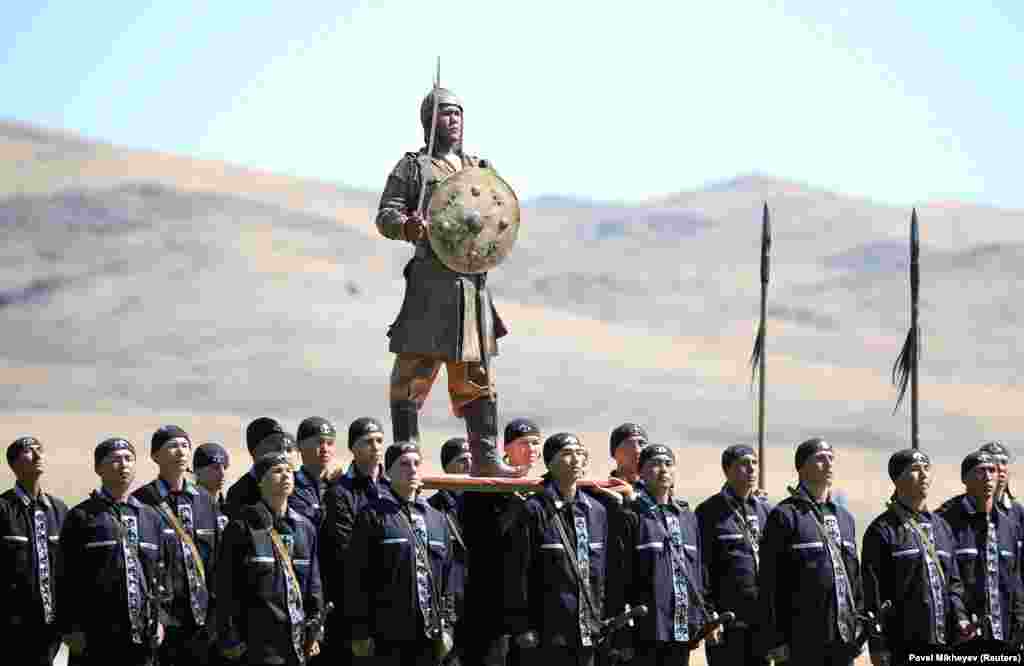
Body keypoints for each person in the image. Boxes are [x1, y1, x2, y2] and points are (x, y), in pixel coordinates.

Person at [376, 84, 519, 478]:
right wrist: (407, 225)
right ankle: (407, 456)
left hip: (471, 286)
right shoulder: (413, 168)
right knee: (412, 371)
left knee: (476, 372)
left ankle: (486, 456)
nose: (452, 120)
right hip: (430, 284)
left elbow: (496, 213)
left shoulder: (479, 168)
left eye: (457, 113)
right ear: (428, 120)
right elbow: (385, 215)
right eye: (444, 113)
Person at [503, 433, 614, 666]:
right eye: (567, 454)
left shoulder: (596, 512)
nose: (576, 460)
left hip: (588, 631)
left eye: (580, 454)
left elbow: (603, 572)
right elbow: (517, 572)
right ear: (550, 463)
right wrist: (522, 625)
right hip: (546, 633)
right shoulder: (532, 510)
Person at [58, 437, 171, 666]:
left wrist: (162, 620)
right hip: (95, 637)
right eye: (115, 459)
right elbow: (63, 576)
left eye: (129, 459)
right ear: (98, 468)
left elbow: (163, 573)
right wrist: (69, 629)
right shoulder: (81, 517)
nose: (124, 465)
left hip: (143, 638)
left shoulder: (151, 518)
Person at [345, 442, 456, 664]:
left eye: (417, 463)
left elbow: (449, 579)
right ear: (388, 472)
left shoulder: (437, 519)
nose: (412, 469)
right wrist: (360, 630)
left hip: (431, 636)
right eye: (404, 464)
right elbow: (356, 577)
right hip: (388, 637)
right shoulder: (372, 515)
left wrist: (448, 628)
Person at [757, 438, 863, 666]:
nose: (829, 464)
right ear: (802, 467)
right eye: (821, 459)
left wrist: (860, 624)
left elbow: (854, 577)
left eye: (831, 459)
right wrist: (775, 639)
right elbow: (769, 583)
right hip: (800, 641)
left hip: (843, 639)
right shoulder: (785, 515)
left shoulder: (845, 519)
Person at [861, 449, 972, 665]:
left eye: (927, 469)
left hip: (945, 644)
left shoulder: (942, 527)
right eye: (914, 469)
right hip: (903, 647)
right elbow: (872, 593)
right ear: (897, 478)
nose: (923, 475)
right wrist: (877, 644)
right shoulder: (882, 530)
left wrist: (961, 618)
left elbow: (954, 584)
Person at [215, 451, 325, 666]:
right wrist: (229, 636)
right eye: (277, 471)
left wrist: (316, 629)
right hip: (258, 644)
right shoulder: (242, 527)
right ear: (260, 482)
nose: (285, 476)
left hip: (297, 641)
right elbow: (227, 586)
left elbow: (314, 585)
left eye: (289, 471)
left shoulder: (305, 528)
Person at [620, 444, 717, 666]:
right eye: (655, 464)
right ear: (641, 472)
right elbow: (619, 573)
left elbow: (699, 570)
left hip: (683, 626)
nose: (663, 470)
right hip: (646, 627)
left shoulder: (687, 516)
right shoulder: (631, 514)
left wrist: (706, 614)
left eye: (668, 464)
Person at [132, 425, 221, 665]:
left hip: (202, 619)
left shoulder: (205, 501)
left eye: (185, 445)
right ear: (155, 456)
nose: (180, 451)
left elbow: (218, 560)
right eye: (172, 446)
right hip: (163, 619)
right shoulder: (141, 501)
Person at [319, 417, 391, 663]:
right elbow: (347, 553)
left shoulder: (394, 487)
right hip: (357, 606)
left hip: (396, 604)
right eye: (367, 441)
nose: (375, 446)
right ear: (353, 448)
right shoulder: (340, 493)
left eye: (379, 440)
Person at [695, 444, 772, 666]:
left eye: (754, 463)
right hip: (727, 622)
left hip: (762, 622)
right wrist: (709, 615)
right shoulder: (708, 512)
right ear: (727, 470)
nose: (751, 469)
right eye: (743, 464)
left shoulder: (765, 510)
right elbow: (701, 568)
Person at [937, 451, 1024, 646]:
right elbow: (946, 580)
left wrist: (1020, 624)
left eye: (992, 471)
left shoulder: (1009, 526)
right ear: (964, 478)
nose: (988, 477)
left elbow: (1016, 581)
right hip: (962, 637)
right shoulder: (945, 521)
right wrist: (960, 618)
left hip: (1004, 637)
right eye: (980, 471)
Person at [0, 436, 68, 665]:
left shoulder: (59, 510)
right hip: (11, 627)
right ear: (13, 464)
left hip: (52, 626)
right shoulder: (3, 508)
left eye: (41, 450)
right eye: (29, 452)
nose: (38, 456)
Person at [428, 437, 471, 649]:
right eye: (463, 460)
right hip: (449, 604)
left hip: (480, 600)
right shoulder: (432, 509)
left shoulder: (485, 504)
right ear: (447, 467)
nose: (470, 465)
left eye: (473, 459)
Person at [224, 417, 296, 521]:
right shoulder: (239, 492)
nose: (280, 448)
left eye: (281, 442)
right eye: (272, 443)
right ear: (255, 450)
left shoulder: (292, 481)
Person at [291, 417, 339, 529]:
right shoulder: (289, 486)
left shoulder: (341, 486)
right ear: (300, 446)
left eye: (330, 443)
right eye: (319, 442)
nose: (325, 449)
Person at [194, 442, 231, 529]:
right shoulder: (190, 507)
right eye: (215, 468)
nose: (222, 474)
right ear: (198, 471)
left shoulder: (230, 508)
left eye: (225, 467)